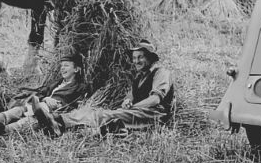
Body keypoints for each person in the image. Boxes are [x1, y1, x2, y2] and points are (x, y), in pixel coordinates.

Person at [36, 40, 175, 137]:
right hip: (139, 112)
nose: (136, 61)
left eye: (141, 57)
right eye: (134, 58)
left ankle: (58, 122)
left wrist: (133, 108)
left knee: (106, 116)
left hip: (155, 115)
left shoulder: (161, 73)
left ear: (150, 58)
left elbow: (155, 99)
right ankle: (56, 121)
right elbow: (130, 95)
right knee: (99, 114)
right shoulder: (139, 77)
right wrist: (127, 101)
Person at [0, 51, 89, 136]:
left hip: (54, 111)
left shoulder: (80, 87)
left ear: (76, 69)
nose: (62, 68)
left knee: (32, 118)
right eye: (61, 66)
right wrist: (45, 98)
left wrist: (59, 106)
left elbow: (76, 105)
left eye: (66, 65)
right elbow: (41, 93)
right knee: (19, 109)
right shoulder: (57, 83)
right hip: (41, 105)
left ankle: (3, 130)